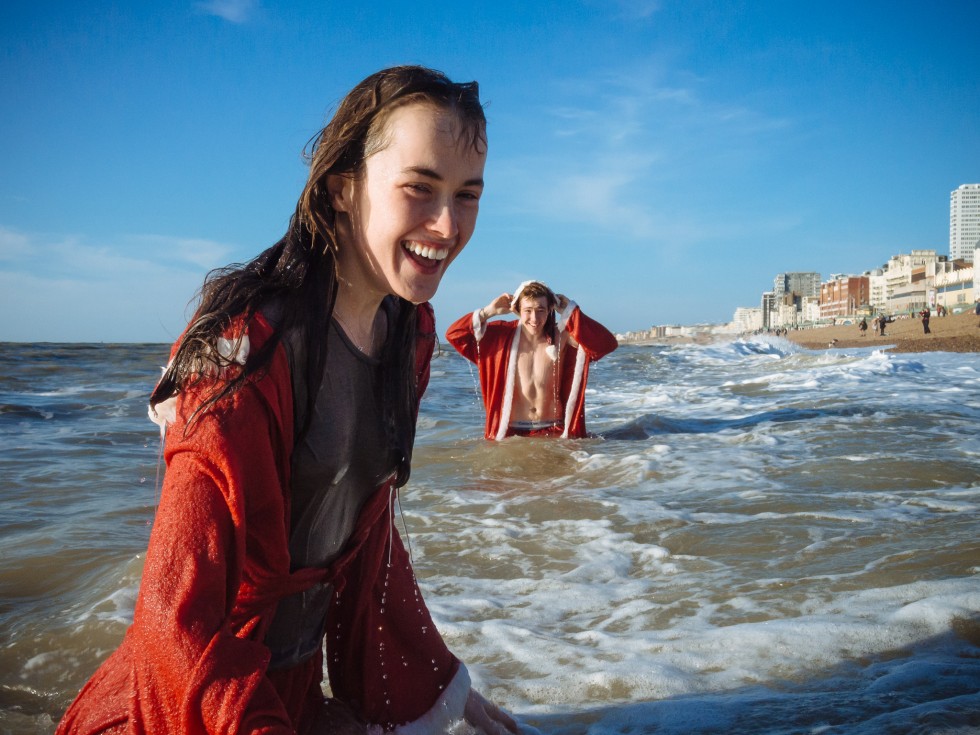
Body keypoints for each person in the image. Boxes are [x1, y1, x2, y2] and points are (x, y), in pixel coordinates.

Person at [56, 66, 517, 735]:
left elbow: (366, 538)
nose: (446, 224)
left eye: (467, 194)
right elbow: (177, 621)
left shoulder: (408, 335)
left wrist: (439, 685)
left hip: (293, 698)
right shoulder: (248, 352)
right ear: (342, 188)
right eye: (420, 188)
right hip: (194, 707)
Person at [446, 280, 618, 440]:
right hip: (512, 435)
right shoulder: (499, 336)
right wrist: (487, 312)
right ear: (518, 310)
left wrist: (572, 312)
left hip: (555, 431)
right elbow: (455, 335)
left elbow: (606, 344)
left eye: (540, 310)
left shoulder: (562, 337)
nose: (534, 319)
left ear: (551, 309)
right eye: (528, 311)